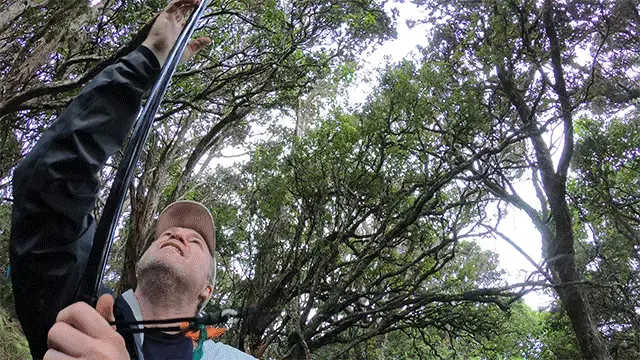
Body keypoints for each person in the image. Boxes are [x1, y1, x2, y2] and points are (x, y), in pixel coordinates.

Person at [9, 1, 255, 359]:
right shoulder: (85, 304)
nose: (176, 234)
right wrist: (149, 58)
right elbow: (50, 180)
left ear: (207, 290)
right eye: (167, 231)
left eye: (197, 240)